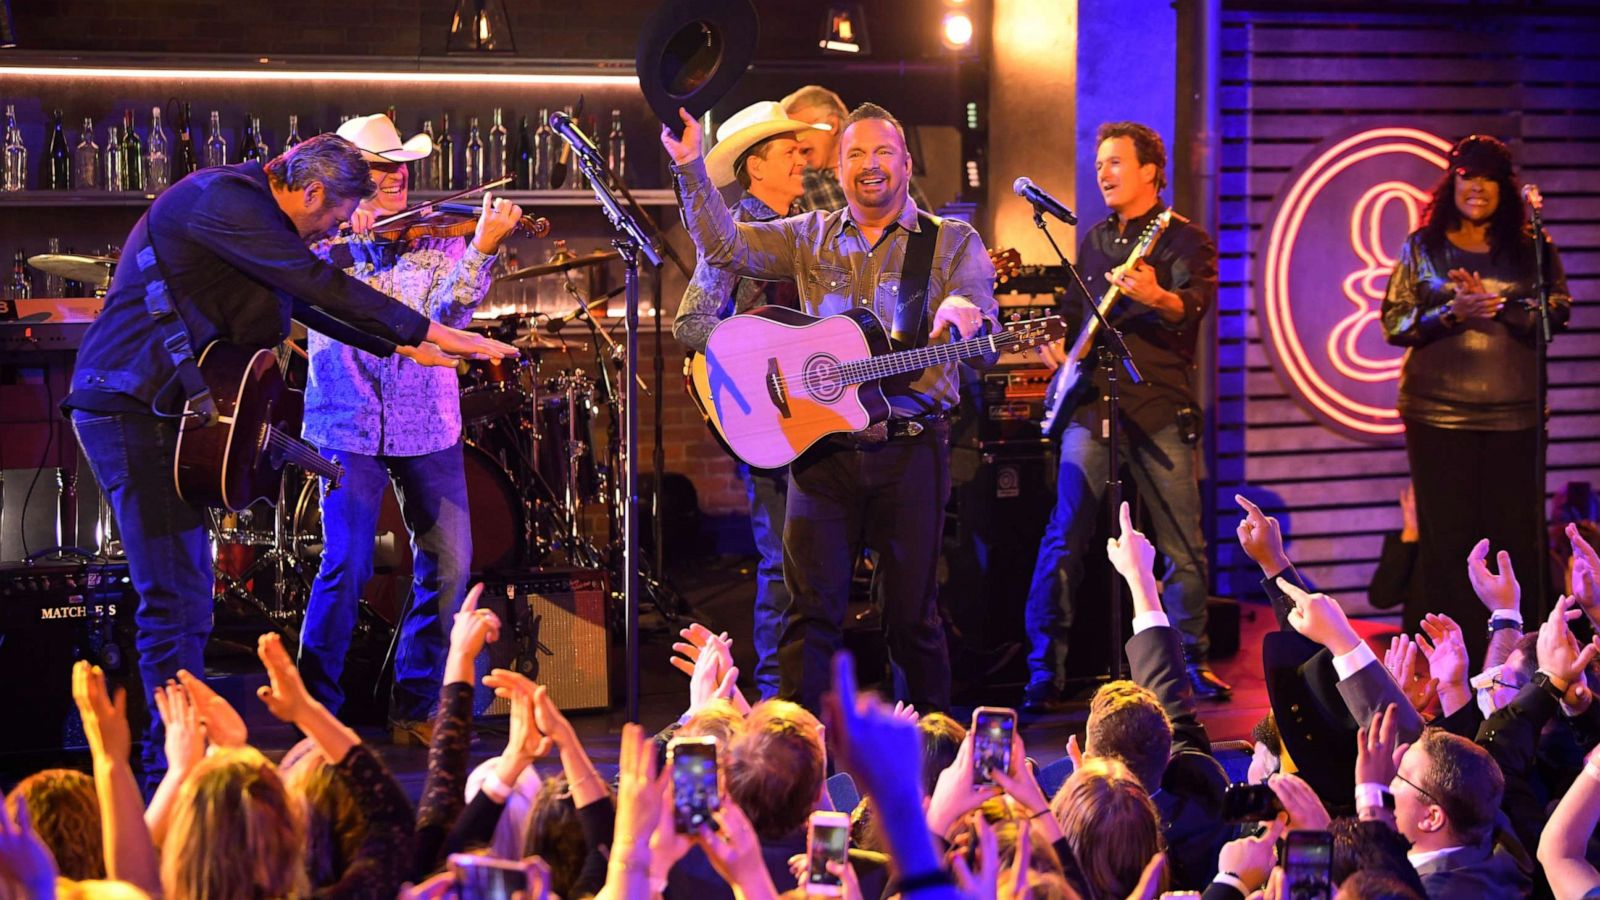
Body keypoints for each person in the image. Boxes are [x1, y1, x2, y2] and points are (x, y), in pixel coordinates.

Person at [63, 133, 515, 783]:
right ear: (310, 192)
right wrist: (428, 329)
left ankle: (178, 757)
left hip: (160, 411)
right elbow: (312, 281)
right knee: (175, 597)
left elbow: (301, 298)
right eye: (331, 218)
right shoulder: (224, 201)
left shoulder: (253, 212)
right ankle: (171, 769)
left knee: (186, 593)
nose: (332, 231)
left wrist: (403, 348)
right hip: (127, 408)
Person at [661, 102, 998, 714]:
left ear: (906, 163)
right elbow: (725, 247)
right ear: (837, 170)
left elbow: (982, 345)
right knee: (808, 619)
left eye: (883, 153)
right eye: (856, 156)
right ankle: (797, 769)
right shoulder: (806, 234)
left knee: (912, 622)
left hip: (911, 449)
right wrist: (690, 166)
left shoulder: (952, 242)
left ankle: (928, 773)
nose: (870, 166)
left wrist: (963, 318)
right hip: (821, 453)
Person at [296, 114, 524, 739]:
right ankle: (315, 711)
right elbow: (300, 287)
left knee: (448, 566)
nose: (397, 176)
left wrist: (480, 245)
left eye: (402, 165)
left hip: (429, 419)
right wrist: (343, 226)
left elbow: (453, 310)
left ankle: (418, 705)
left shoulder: (439, 236)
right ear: (349, 176)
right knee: (345, 563)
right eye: (380, 167)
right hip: (347, 419)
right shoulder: (318, 238)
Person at [1023, 120, 1225, 708]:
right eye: (1100, 163)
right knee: (1064, 535)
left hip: (1159, 404)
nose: (1102, 173)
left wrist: (1156, 296)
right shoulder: (1093, 241)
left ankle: (1191, 664)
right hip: (1092, 403)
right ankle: (1045, 671)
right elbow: (1068, 312)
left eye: (1115, 162)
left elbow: (1192, 305)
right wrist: (1054, 348)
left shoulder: (1185, 241)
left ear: (1150, 172)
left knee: (1181, 544)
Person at [1382, 133, 1572, 665]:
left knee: (1516, 539)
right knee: (1448, 542)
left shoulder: (1532, 243)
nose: (1477, 188)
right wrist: (1452, 313)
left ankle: (1521, 659)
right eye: (1468, 177)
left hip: (1516, 415)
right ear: (1452, 182)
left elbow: (1557, 309)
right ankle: (1444, 660)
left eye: (1489, 178)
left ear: (1504, 187)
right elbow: (1394, 322)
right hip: (1437, 413)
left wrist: (1501, 307)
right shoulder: (1424, 247)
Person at [673, 101, 827, 700]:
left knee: (808, 562)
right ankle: (773, 699)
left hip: (815, 413)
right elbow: (691, 323)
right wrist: (759, 350)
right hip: (766, 415)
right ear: (754, 166)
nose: (802, 157)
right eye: (788, 150)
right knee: (780, 561)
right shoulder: (737, 232)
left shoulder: (813, 227)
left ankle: (803, 692)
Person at [780, 84, 932, 214]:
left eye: (802, 131)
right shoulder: (801, 182)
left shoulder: (887, 170)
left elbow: (927, 233)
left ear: (832, 125)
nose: (797, 142)